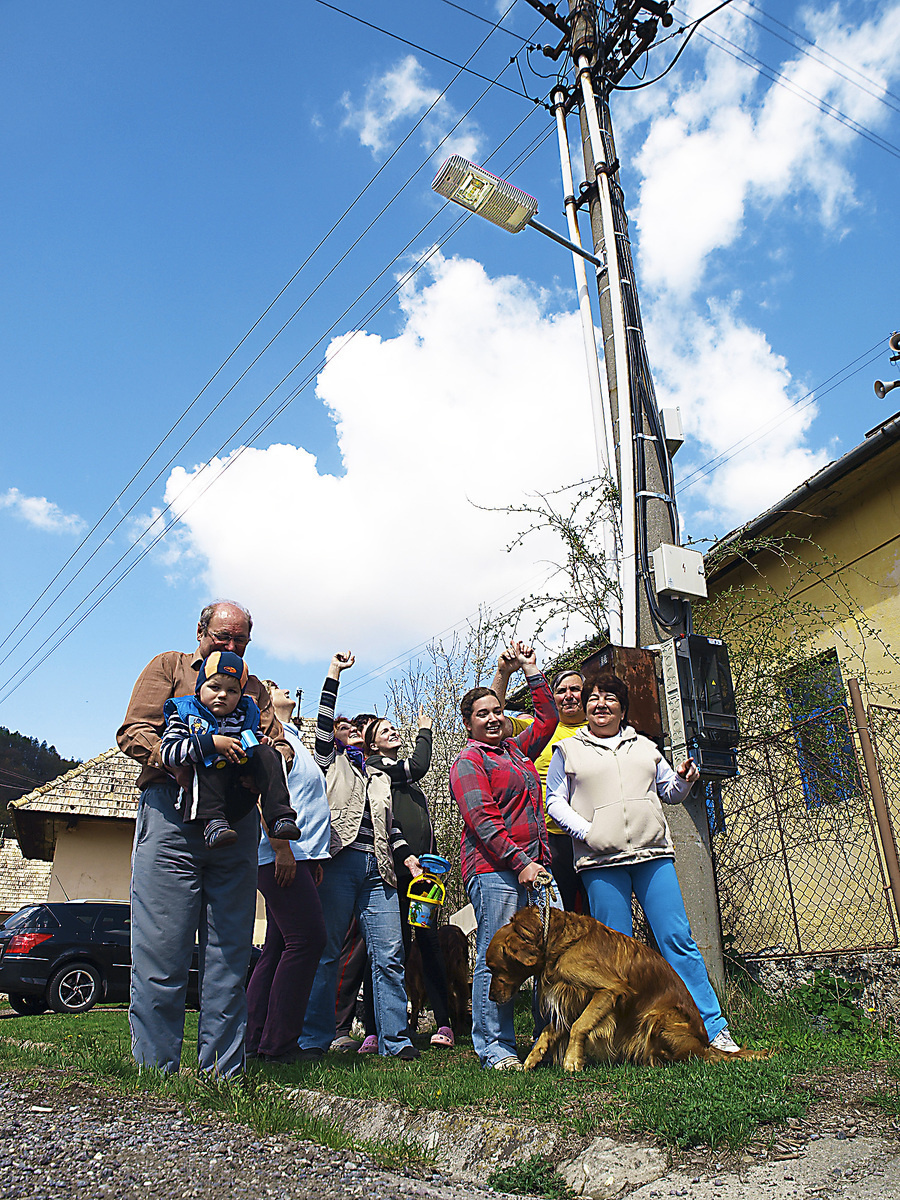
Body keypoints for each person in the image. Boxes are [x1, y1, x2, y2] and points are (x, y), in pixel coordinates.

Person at [117, 600, 291, 1076]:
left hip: (235, 827)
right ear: (201, 631)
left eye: (240, 640)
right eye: (222, 637)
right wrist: (186, 755)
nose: (231, 646)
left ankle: (222, 1072)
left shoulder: (253, 689)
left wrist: (264, 765)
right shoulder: (169, 666)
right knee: (162, 950)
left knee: (231, 954)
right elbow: (134, 731)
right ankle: (157, 1072)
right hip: (173, 820)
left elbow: (278, 745)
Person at [545, 670, 740, 1054]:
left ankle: (713, 1028)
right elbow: (554, 801)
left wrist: (685, 778)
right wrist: (588, 832)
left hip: (653, 857)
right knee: (613, 957)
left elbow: (670, 791)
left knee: (677, 941)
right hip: (601, 863)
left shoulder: (646, 747)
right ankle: (621, 1040)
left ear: (622, 708)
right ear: (586, 708)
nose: (600, 705)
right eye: (593, 699)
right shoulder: (568, 751)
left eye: (609, 698)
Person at [297, 652, 421, 1062]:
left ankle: (395, 1042)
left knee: (389, 953)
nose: (346, 729)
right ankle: (314, 1039)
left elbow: (391, 827)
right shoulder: (329, 761)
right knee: (328, 950)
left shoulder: (380, 774)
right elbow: (323, 720)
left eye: (355, 729)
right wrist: (333, 673)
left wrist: (406, 858)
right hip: (339, 862)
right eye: (341, 728)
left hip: (379, 869)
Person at [449, 641, 560, 1070]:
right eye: (483, 714)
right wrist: (522, 863)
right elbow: (484, 823)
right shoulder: (468, 761)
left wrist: (530, 669)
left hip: (536, 867)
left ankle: (548, 1039)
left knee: (550, 949)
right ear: (468, 724)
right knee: (500, 956)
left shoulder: (516, 750)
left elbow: (548, 718)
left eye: (498, 712)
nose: (493, 719)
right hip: (495, 870)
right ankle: (495, 1046)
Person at [245, 680, 330, 1064]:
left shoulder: (294, 736)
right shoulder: (269, 739)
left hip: (301, 856)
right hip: (280, 854)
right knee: (308, 941)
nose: (281, 686)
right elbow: (265, 792)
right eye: (272, 685)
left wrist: (313, 857)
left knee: (277, 948)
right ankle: (279, 1045)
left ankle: (255, 1039)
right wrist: (281, 848)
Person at [365, 709, 454, 1048]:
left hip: (422, 878)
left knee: (428, 943)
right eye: (385, 730)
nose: (392, 731)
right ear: (373, 742)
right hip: (392, 876)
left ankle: (443, 1023)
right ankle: (377, 1027)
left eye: (393, 728)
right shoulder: (376, 770)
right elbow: (419, 764)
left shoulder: (407, 784)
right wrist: (425, 731)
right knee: (390, 948)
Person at [160, 650, 301, 849]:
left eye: (232, 691)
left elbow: (249, 737)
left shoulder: (244, 713)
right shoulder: (184, 712)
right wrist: (212, 743)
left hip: (239, 793)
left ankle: (280, 816)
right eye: (214, 687)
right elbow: (168, 753)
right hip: (201, 801)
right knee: (209, 756)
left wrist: (261, 743)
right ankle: (213, 823)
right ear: (200, 688)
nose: (223, 695)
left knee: (269, 754)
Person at [492, 657, 589, 913]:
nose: (568, 696)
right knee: (560, 916)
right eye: (561, 691)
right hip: (551, 840)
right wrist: (503, 673)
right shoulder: (539, 729)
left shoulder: (599, 728)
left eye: (575, 689)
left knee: (597, 916)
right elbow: (493, 718)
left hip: (594, 835)